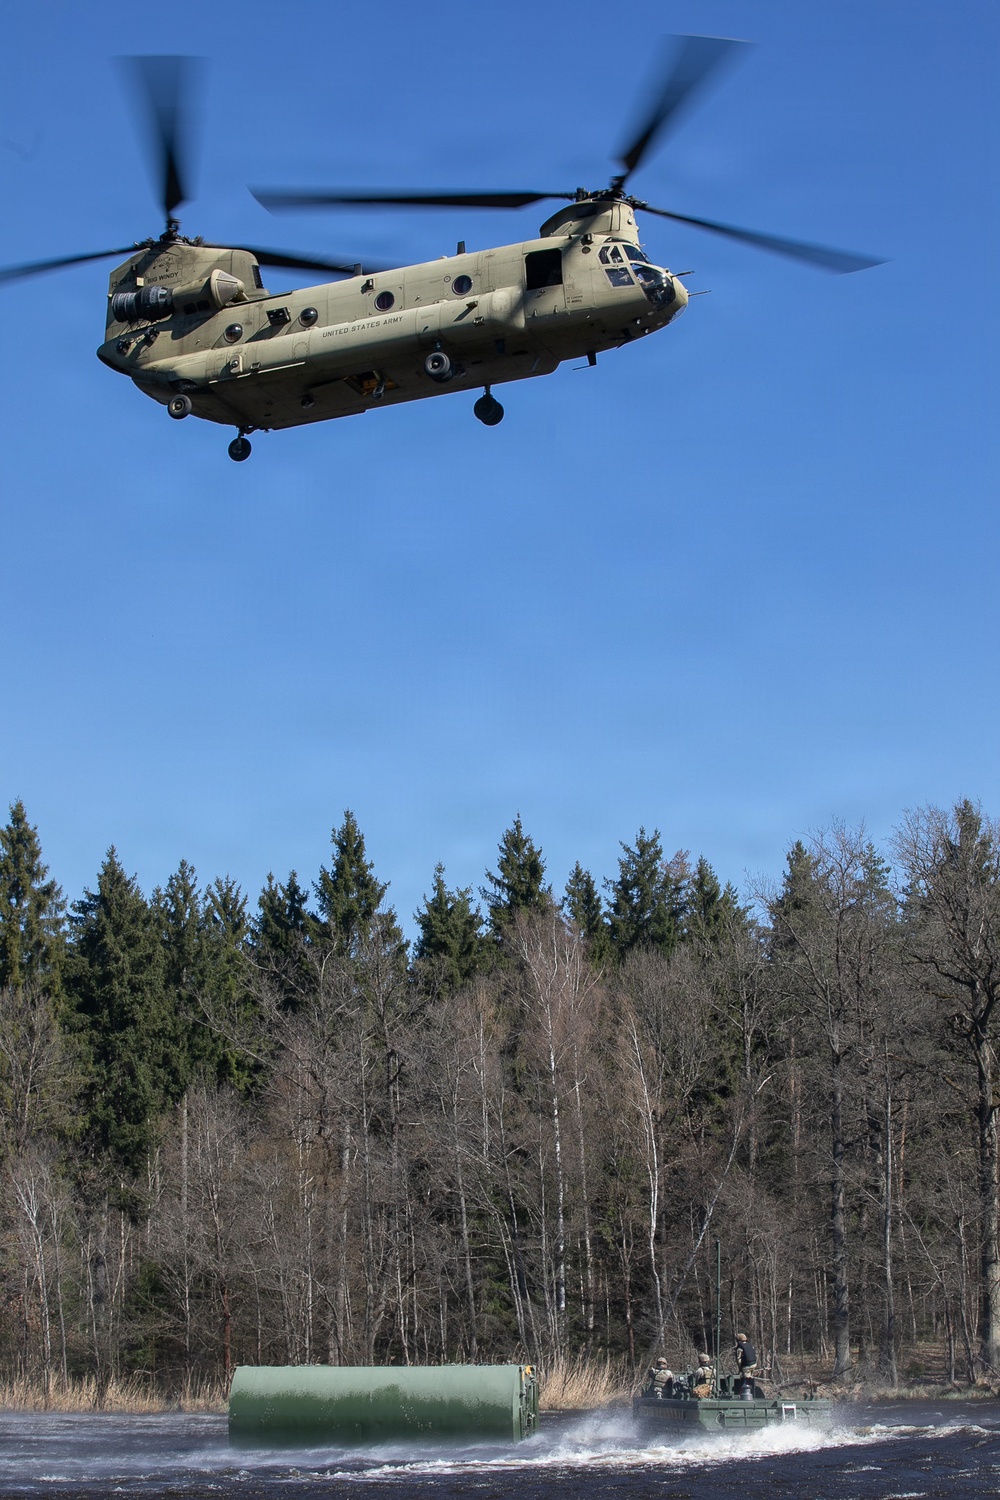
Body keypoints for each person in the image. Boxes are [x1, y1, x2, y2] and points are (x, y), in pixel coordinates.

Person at [734, 1333, 758, 1398]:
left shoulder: (740, 1347)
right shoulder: (750, 1345)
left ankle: (743, 1394)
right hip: (754, 1364)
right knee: (750, 1377)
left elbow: (738, 1359)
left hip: (747, 1366)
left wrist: (740, 1367)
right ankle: (753, 1391)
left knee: (744, 1379)